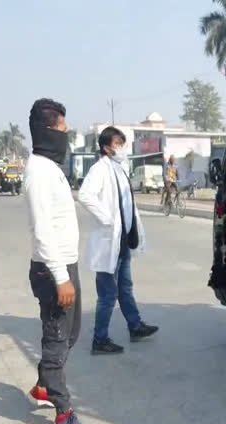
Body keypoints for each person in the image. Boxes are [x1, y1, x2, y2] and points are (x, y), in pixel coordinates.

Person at [23, 98, 85, 424]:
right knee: (57, 339)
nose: (66, 134)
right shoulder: (38, 174)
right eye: (62, 128)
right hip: (52, 271)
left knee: (70, 334)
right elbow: (43, 231)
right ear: (48, 130)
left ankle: (44, 387)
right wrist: (62, 278)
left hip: (65, 266)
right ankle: (63, 412)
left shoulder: (51, 169)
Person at [78, 126, 157, 355]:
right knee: (107, 294)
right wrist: (107, 219)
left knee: (125, 288)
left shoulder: (119, 168)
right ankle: (99, 340)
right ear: (106, 148)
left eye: (122, 143)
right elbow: (85, 195)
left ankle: (135, 326)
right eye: (117, 144)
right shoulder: (99, 169)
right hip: (109, 241)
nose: (121, 148)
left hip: (122, 241)